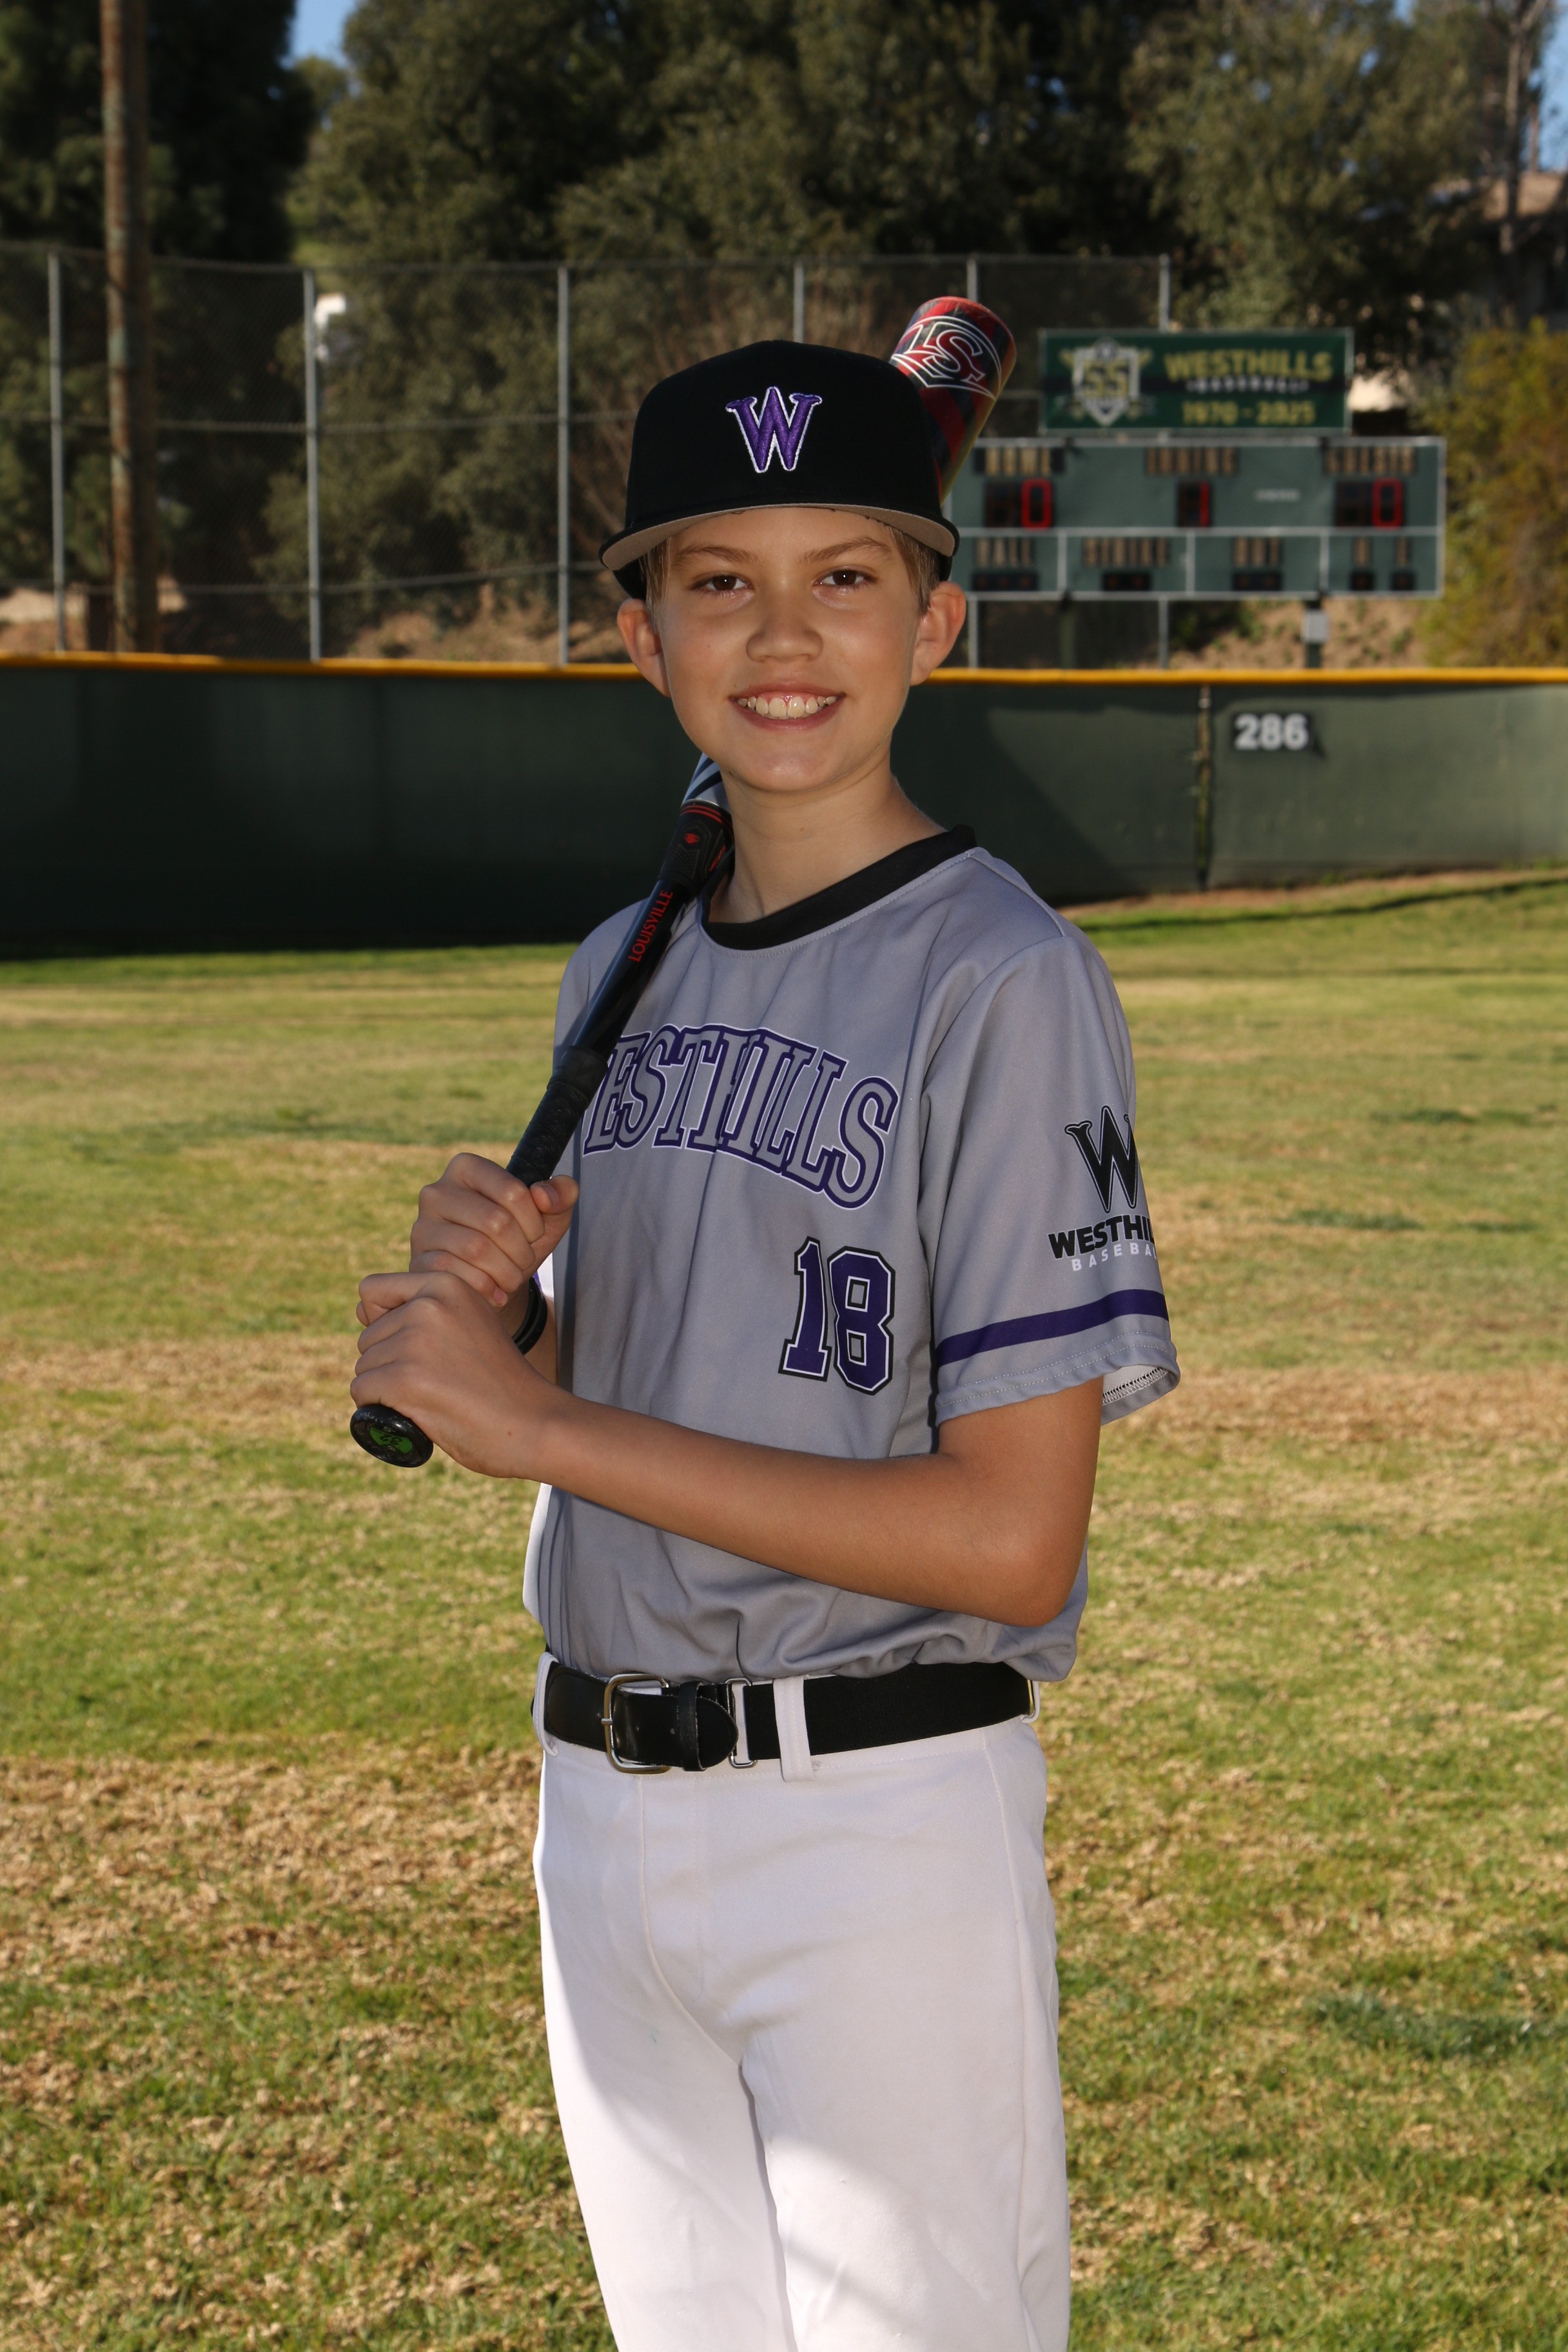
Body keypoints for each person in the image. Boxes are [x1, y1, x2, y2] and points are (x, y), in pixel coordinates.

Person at [351, 340, 1179, 2352]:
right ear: (644, 638)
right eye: (721, 581)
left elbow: (1011, 1544)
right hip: (601, 1811)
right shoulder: (618, 969)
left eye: (847, 578)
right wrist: (516, 1311)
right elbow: (669, 1366)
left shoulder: (1004, 979)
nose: (786, 637)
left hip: (871, 1827)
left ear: (938, 624)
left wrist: (540, 1428)